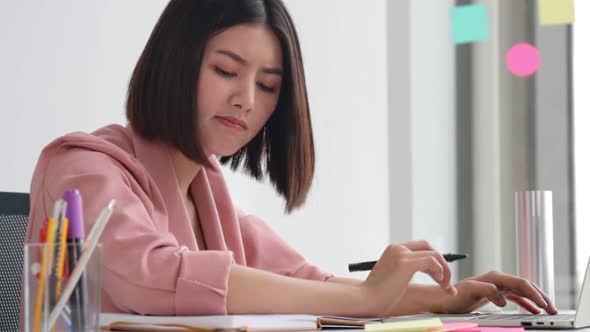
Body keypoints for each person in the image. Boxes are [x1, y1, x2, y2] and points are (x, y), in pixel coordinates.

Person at [26, 0, 558, 317]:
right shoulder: (84, 168)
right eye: (226, 71)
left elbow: (312, 286)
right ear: (176, 63)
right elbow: (156, 274)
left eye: (268, 84)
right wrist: (371, 299)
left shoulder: (209, 194)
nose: (247, 100)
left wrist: (440, 299)